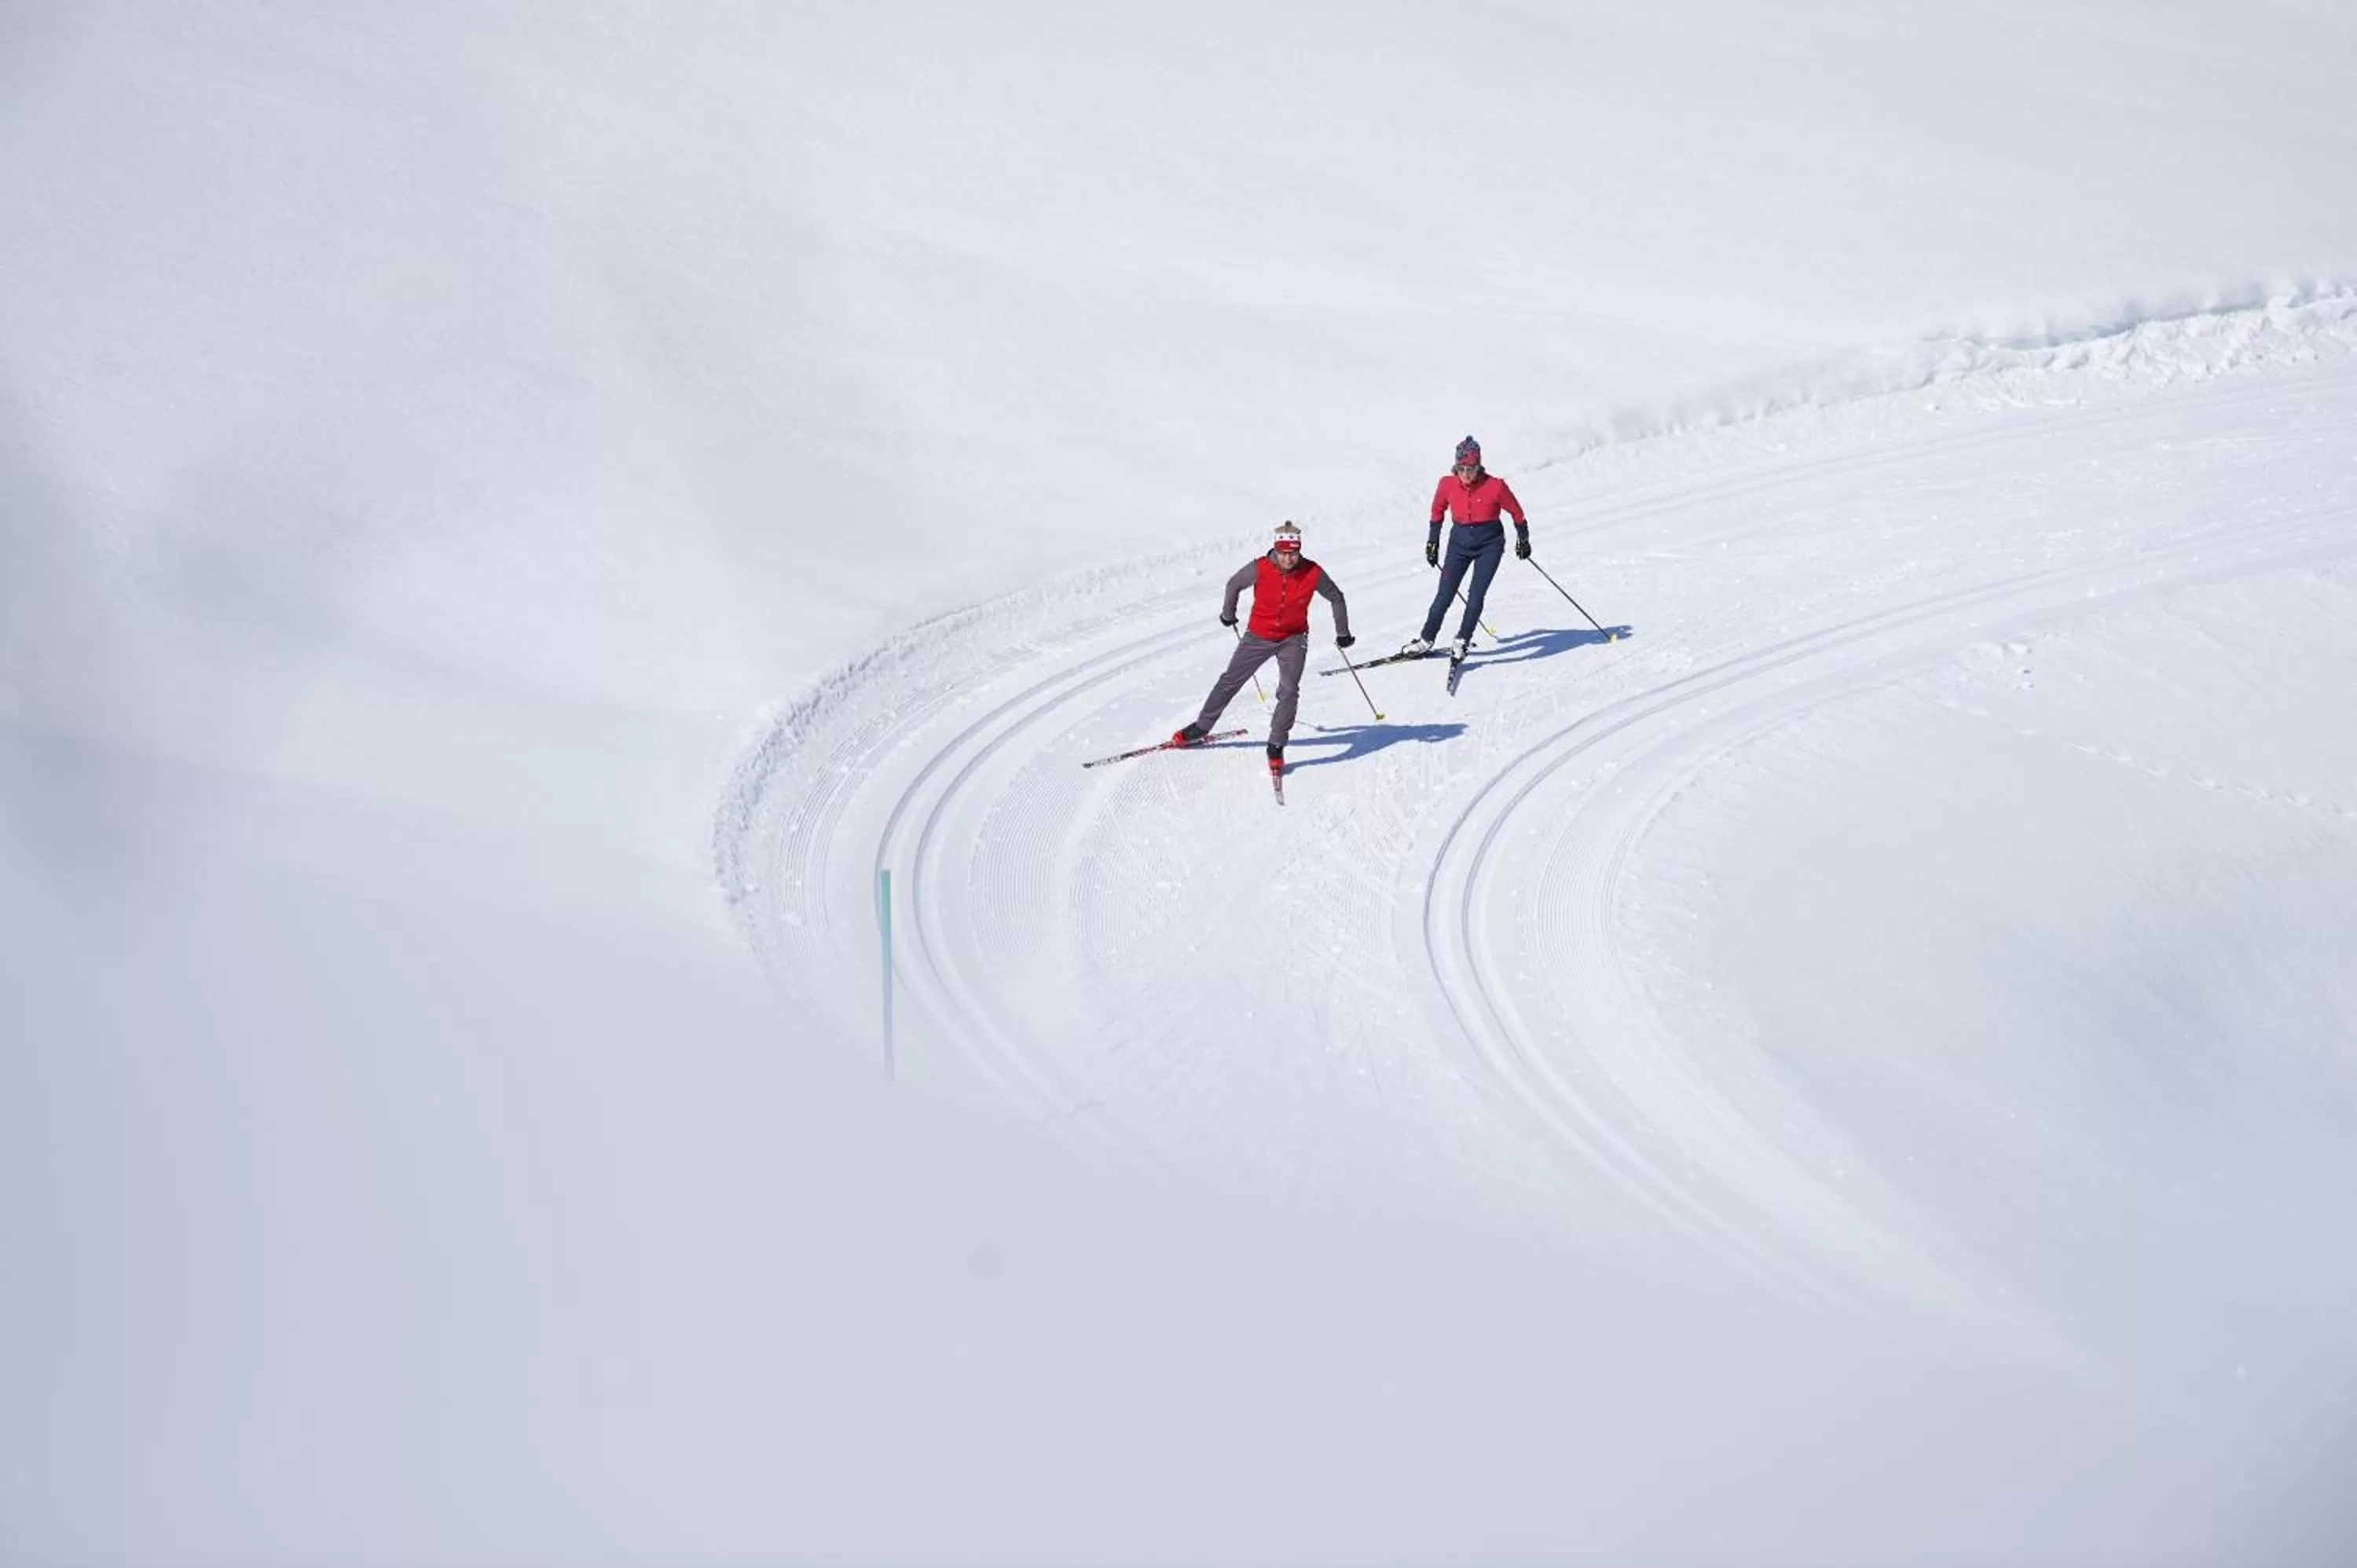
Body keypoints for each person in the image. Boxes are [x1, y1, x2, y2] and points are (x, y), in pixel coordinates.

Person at [1171, 521, 1353, 775]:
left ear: (1299, 551)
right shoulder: (1260, 567)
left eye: (1293, 553)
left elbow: (1336, 597)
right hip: (1257, 636)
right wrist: (1228, 614)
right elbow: (1233, 584)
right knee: (1229, 681)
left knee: (1289, 690)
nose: (1288, 559)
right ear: (1276, 550)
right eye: (1284, 553)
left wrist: (1343, 632)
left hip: (1294, 638)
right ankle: (1202, 727)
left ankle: (1277, 744)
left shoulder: (1312, 572)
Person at [1400, 435, 1528, 660]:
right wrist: (1433, 542)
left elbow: (1516, 512)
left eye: (1471, 468)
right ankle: (1426, 640)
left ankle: (1462, 639)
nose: (1466, 474)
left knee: (1475, 595)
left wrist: (1523, 538)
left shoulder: (1496, 486)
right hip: (1459, 544)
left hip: (1490, 545)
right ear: (1455, 467)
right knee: (1444, 596)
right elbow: (1437, 511)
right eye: (1461, 468)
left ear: (1479, 467)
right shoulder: (1446, 484)